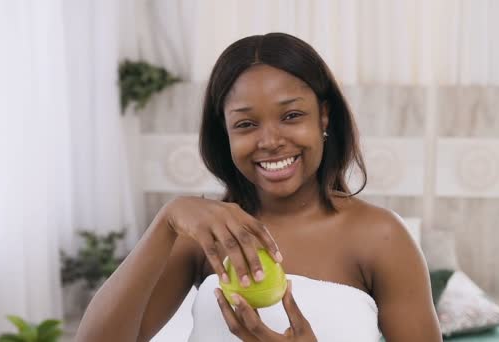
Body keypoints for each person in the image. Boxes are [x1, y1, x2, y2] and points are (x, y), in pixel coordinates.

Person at [75, 32, 442, 342]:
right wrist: (166, 220)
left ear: (324, 116)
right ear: (226, 133)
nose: (269, 141)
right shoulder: (204, 238)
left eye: (292, 116)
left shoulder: (381, 237)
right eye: (246, 124)